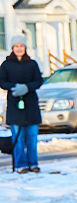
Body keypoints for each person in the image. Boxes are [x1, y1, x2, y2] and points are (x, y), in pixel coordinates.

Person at [0, 36, 43, 174]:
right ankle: (20, 165)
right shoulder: (6, 65)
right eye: (16, 46)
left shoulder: (32, 64)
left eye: (21, 46)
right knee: (17, 138)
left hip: (30, 105)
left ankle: (33, 164)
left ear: (25, 48)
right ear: (12, 48)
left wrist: (26, 87)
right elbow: (2, 82)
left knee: (31, 137)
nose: (19, 48)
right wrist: (14, 87)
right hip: (14, 105)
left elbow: (38, 81)